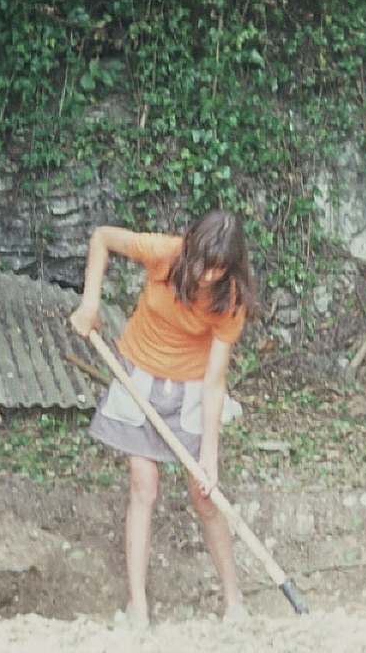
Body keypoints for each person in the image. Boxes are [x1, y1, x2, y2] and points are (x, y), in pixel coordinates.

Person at [69, 210, 255, 625]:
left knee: (205, 495)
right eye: (203, 264)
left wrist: (209, 456)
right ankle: (138, 605)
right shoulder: (164, 253)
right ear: (190, 249)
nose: (207, 276)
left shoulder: (230, 300)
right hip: (136, 375)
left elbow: (214, 381)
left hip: (191, 388)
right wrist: (89, 303)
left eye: (219, 269)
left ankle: (234, 602)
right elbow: (102, 237)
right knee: (145, 485)